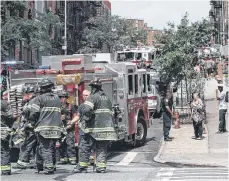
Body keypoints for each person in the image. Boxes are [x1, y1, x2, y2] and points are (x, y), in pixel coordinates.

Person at [74, 77, 118, 173]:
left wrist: (86, 119)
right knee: (101, 148)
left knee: (85, 145)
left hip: (94, 128)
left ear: (93, 88)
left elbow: (87, 110)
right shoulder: (107, 98)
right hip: (107, 128)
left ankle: (82, 166)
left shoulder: (93, 97)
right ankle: (101, 167)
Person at [29, 78, 63, 174]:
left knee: (45, 148)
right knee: (51, 147)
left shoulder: (39, 98)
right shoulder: (57, 98)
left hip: (43, 127)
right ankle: (44, 166)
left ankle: (49, 168)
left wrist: (32, 122)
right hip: (56, 128)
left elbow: (33, 113)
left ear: (42, 88)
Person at [15, 85, 37, 169]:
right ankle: (34, 161)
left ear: (29, 94)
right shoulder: (30, 101)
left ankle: (22, 162)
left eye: (25, 94)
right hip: (29, 127)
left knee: (27, 144)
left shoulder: (33, 102)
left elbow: (30, 115)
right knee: (33, 145)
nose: (23, 96)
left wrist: (28, 125)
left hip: (31, 127)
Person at [58, 90, 77, 165]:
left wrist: (70, 122)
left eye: (64, 97)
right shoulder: (56, 107)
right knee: (61, 144)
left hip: (69, 128)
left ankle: (72, 158)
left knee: (70, 144)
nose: (63, 99)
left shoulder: (71, 106)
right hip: (60, 128)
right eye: (61, 97)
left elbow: (75, 116)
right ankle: (63, 158)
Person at [1, 98, 15, 175]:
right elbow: (10, 117)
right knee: (4, 150)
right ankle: (5, 171)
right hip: (2, 130)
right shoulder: (4, 103)